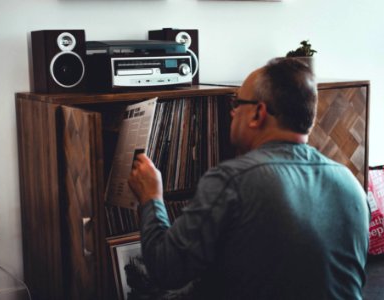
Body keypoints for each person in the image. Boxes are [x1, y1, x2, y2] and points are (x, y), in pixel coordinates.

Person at [128, 58, 370, 299]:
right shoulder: (351, 184)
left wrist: (151, 197)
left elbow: (165, 270)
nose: (233, 111)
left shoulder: (232, 180)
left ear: (258, 113)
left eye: (237, 103)